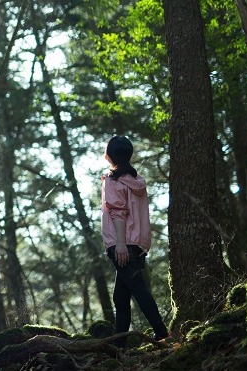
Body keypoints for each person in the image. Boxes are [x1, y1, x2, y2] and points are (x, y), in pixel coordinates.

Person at [100, 135, 169, 348]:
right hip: (138, 243)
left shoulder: (112, 180)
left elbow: (118, 213)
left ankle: (163, 334)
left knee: (138, 290)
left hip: (121, 243)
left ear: (110, 155)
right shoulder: (136, 180)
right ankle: (119, 345)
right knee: (121, 298)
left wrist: (120, 244)